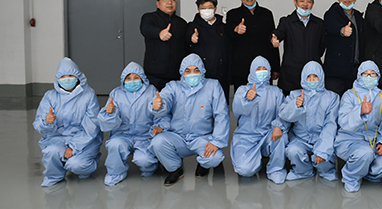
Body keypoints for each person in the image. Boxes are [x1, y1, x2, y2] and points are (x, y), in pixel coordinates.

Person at [149, 53, 230, 186]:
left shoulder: (213, 86)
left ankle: (203, 165)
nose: (192, 74)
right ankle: (175, 169)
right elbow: (164, 99)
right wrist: (158, 105)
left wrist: (216, 141)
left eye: (196, 70)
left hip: (202, 138)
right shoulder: (173, 87)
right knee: (157, 142)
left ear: (202, 70)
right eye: (188, 71)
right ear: (182, 72)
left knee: (215, 158)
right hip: (178, 136)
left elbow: (222, 115)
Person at [33, 58, 103, 187]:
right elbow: (39, 124)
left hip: (84, 139)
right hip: (58, 138)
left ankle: (88, 163)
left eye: (70, 76)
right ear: (57, 79)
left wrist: (73, 146)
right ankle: (54, 176)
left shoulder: (88, 94)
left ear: (78, 77)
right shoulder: (50, 96)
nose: (67, 79)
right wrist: (47, 122)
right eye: (63, 77)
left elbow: (92, 125)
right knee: (52, 151)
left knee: (77, 165)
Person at [98, 62, 162, 186]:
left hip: (144, 136)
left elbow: (160, 114)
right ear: (123, 80)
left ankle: (150, 168)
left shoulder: (151, 92)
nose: (132, 81)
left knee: (144, 160)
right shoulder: (116, 93)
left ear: (142, 78)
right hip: (122, 135)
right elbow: (107, 123)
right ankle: (115, 173)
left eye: (136, 77)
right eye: (128, 78)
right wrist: (109, 113)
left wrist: (158, 127)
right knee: (115, 145)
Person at [334, 60, 382, 192]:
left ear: (378, 76)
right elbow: (343, 122)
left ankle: (368, 174)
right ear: (359, 76)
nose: (369, 77)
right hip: (351, 139)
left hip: (374, 140)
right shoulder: (349, 95)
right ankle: (351, 177)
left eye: (372, 74)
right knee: (365, 153)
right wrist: (359, 111)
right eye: (365, 74)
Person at [276, 61, 340, 182]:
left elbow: (330, 125)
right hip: (300, 139)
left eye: (315, 76)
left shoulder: (332, 98)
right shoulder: (294, 95)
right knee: (293, 151)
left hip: (321, 139)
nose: (312, 80)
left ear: (321, 77)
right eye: (308, 77)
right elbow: (283, 115)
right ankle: (303, 171)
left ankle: (326, 170)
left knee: (324, 157)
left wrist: (323, 150)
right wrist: (294, 106)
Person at [230, 56, 286, 184]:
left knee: (282, 136)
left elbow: (282, 114)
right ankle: (255, 160)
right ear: (252, 71)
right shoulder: (242, 91)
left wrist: (278, 126)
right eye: (258, 69)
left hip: (268, 134)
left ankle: (275, 170)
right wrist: (247, 99)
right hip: (247, 136)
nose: (261, 72)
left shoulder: (276, 92)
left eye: (264, 69)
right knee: (245, 170)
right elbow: (238, 109)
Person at [225, 0, 280, 91]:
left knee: (265, 98)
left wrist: (276, 67)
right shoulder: (233, 14)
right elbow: (228, 40)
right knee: (242, 98)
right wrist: (236, 30)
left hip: (264, 69)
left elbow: (273, 41)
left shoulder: (267, 14)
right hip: (241, 70)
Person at [271, 0, 326, 96]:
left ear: (313, 3)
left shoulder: (319, 23)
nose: (305, 4)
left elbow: (321, 47)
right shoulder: (286, 22)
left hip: (312, 77)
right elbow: (278, 33)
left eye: (309, 1)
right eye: (302, 0)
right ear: (295, 2)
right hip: (291, 76)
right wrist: (274, 38)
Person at [140, 0, 189, 91]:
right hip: (155, 75)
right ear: (158, 3)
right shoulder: (150, 17)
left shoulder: (182, 23)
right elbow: (145, 29)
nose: (169, 2)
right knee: (155, 100)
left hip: (177, 75)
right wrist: (159, 33)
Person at [324, 0, 365, 96]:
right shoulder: (331, 14)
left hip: (354, 72)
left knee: (352, 103)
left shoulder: (358, 16)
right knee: (334, 102)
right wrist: (342, 30)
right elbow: (331, 25)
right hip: (335, 73)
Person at [187, 0, 229, 100]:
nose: (206, 11)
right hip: (201, 75)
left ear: (215, 9)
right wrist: (192, 38)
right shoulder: (192, 26)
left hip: (221, 74)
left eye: (209, 8)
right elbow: (186, 40)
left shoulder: (224, 28)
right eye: (203, 8)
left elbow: (229, 51)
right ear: (198, 9)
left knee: (220, 103)